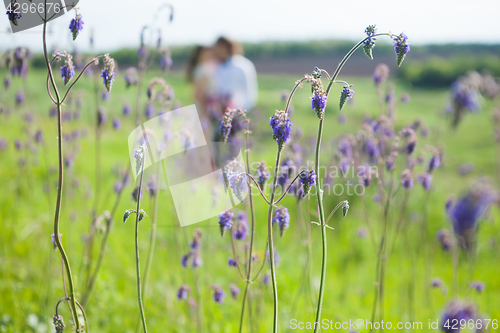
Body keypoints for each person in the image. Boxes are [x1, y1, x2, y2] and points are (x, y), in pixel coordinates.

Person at [212, 37, 258, 112]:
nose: (215, 52)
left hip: (238, 111)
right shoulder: (221, 66)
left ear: (225, 48)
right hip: (230, 111)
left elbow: (249, 93)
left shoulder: (239, 65)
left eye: (217, 48)